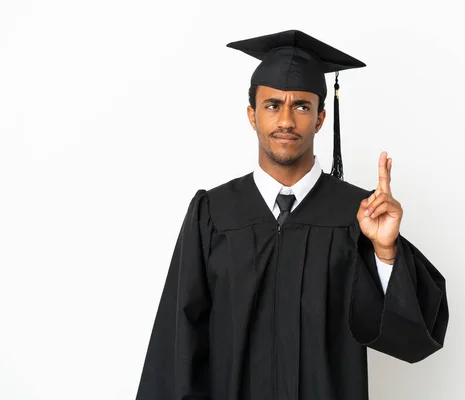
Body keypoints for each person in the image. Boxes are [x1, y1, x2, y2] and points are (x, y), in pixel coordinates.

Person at [135, 29, 448, 400]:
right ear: (252, 115)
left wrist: (385, 252)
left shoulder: (359, 216)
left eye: (301, 106)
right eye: (272, 105)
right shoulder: (214, 213)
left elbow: (409, 339)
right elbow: (177, 343)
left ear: (319, 118)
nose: (286, 120)